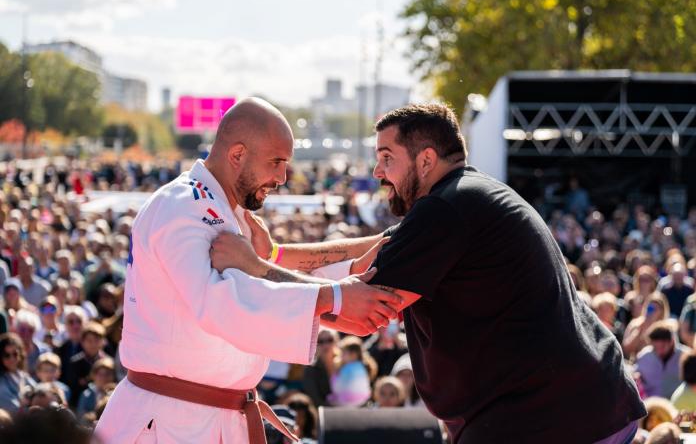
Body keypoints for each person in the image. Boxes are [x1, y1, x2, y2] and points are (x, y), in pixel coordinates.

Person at [95, 98, 401, 443]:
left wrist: (347, 275)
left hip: (205, 418)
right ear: (237, 154)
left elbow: (264, 275)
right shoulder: (184, 207)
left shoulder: (224, 209)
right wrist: (335, 295)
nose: (283, 177)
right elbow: (221, 302)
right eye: (276, 162)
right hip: (171, 422)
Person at [365, 104, 646, 442]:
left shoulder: (444, 209)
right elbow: (368, 254)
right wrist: (281, 258)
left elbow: (365, 304)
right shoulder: (469, 196)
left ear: (425, 160)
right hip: (585, 404)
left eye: (387, 158)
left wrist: (294, 305)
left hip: (547, 416)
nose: (378, 172)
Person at [636, 322, 691, 399]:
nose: (659, 351)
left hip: (679, 405)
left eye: (662, 346)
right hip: (650, 406)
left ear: (672, 342)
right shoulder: (644, 357)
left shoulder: (686, 356)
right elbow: (636, 378)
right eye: (655, 347)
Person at [0, 333, 35, 414]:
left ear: (20, 354)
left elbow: (39, 391)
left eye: (15, 354)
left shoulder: (23, 375)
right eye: (6, 355)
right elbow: (14, 410)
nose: (12, 359)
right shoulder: (1, 382)